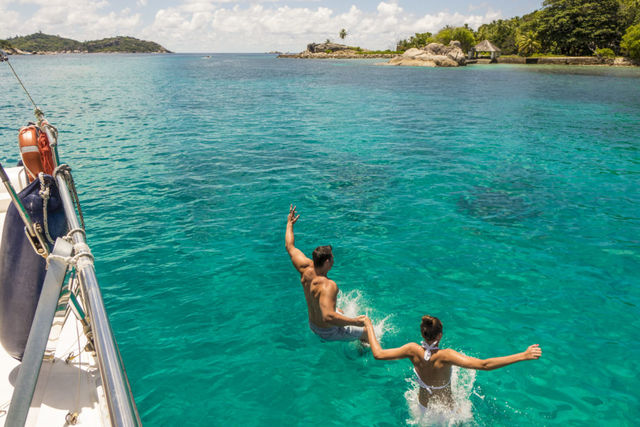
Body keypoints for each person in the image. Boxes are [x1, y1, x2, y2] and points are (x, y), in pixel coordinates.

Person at [363, 315, 541, 409]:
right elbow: (484, 365)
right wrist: (522, 355)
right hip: (445, 415)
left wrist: (369, 326)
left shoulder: (411, 350)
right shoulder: (446, 356)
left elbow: (378, 354)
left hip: (422, 409)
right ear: (440, 335)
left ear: (422, 334)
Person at [285, 205, 368, 342]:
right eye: (332, 258)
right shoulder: (329, 285)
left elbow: (290, 246)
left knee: (339, 310)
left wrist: (289, 224)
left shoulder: (305, 267)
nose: (334, 260)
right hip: (328, 331)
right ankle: (360, 353)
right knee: (367, 332)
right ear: (327, 262)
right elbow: (328, 316)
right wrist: (356, 322)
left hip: (313, 324)